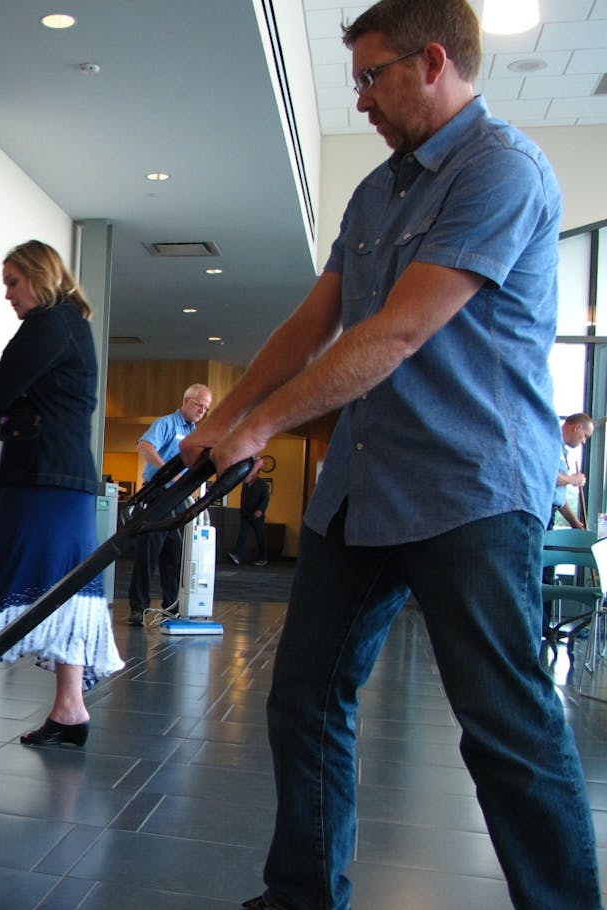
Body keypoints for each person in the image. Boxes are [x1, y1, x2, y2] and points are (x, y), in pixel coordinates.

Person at [179, 2, 602, 908]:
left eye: (373, 76)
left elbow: (402, 331)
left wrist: (262, 429)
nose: (360, 98)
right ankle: (302, 895)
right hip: (364, 491)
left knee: (504, 723)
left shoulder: (504, 171)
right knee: (303, 696)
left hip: (472, 489)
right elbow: (312, 322)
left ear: (434, 61)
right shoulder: (376, 193)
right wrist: (227, 417)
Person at [0, 240, 122, 748]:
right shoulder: (73, 324)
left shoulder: (49, 323)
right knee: (67, 590)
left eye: (13, 282)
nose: (8, 294)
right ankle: (70, 708)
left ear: (39, 276)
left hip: (41, 481)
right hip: (66, 481)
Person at [127, 384, 213, 625]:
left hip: (179, 499)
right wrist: (168, 472)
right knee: (148, 554)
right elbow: (144, 445)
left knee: (175, 556)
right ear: (187, 401)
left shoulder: (195, 434)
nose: (202, 411)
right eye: (199, 405)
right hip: (157, 497)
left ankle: (171, 607)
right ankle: (139, 609)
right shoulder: (166, 424)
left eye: (206, 408)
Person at [553, 413, 594, 529]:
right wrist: (572, 479)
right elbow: (545, 476)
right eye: (585, 436)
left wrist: (574, 522)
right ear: (577, 428)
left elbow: (556, 495)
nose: (584, 441)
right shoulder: (551, 444)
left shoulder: (561, 450)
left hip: (547, 512)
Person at [229, 464, 270, 566]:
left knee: (260, 536)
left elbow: (265, 499)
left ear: (257, 472)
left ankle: (263, 558)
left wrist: (261, 510)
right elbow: (243, 497)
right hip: (246, 513)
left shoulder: (262, 485)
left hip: (257, 515)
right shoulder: (246, 483)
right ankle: (237, 555)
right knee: (242, 535)